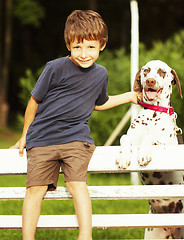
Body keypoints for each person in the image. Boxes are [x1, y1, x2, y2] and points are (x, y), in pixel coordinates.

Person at [10, 10, 142, 240]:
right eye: (77, 47)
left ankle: (85, 236)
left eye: (90, 47)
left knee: (77, 185)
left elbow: (99, 103)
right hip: (42, 139)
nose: (84, 54)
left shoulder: (101, 74)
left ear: (101, 45)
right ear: (68, 45)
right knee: (35, 190)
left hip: (76, 139)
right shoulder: (55, 68)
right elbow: (34, 102)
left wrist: (130, 96)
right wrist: (25, 134)